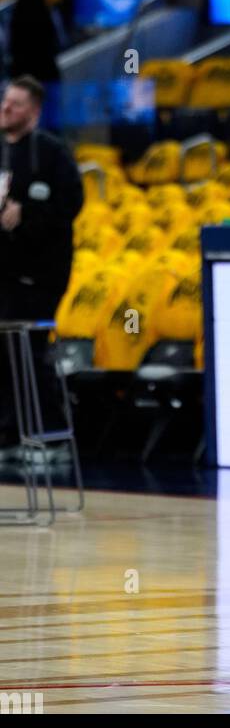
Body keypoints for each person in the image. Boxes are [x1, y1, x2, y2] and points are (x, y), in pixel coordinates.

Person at [0, 77, 84, 459]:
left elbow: (72, 203)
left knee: (30, 349)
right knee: (5, 352)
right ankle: (12, 434)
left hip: (41, 272)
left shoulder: (51, 152)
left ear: (33, 110)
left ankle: (50, 436)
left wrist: (26, 213)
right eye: (5, 101)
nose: (5, 109)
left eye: (15, 104)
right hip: (5, 268)